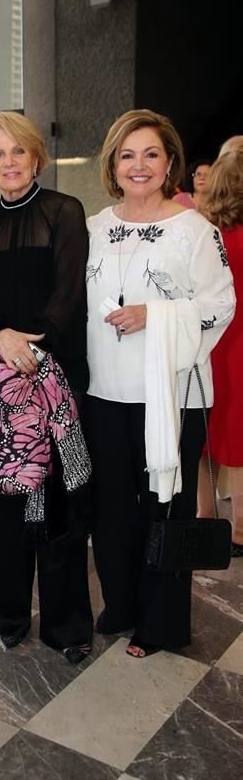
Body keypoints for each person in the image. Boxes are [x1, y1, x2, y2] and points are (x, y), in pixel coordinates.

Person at [85, 109, 235, 658]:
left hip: (170, 395)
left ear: (169, 162)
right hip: (104, 393)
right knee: (113, 509)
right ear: (113, 165)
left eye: (151, 154)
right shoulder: (96, 227)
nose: (139, 165)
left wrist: (157, 315)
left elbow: (221, 305)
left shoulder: (196, 230)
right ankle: (121, 604)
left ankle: (161, 622)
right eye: (127, 155)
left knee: (163, 506)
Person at [0, 111, 93, 663]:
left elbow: (70, 290)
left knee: (62, 505)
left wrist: (34, 350)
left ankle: (66, 625)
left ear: (36, 156)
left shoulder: (65, 212)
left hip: (55, 378)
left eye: (18, 151)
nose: (9, 163)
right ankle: (10, 618)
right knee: (5, 502)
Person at [196, 144, 243, 556]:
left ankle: (206, 518)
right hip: (239, 345)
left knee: (206, 437)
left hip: (210, 344)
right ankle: (242, 529)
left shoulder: (206, 234)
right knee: (239, 439)